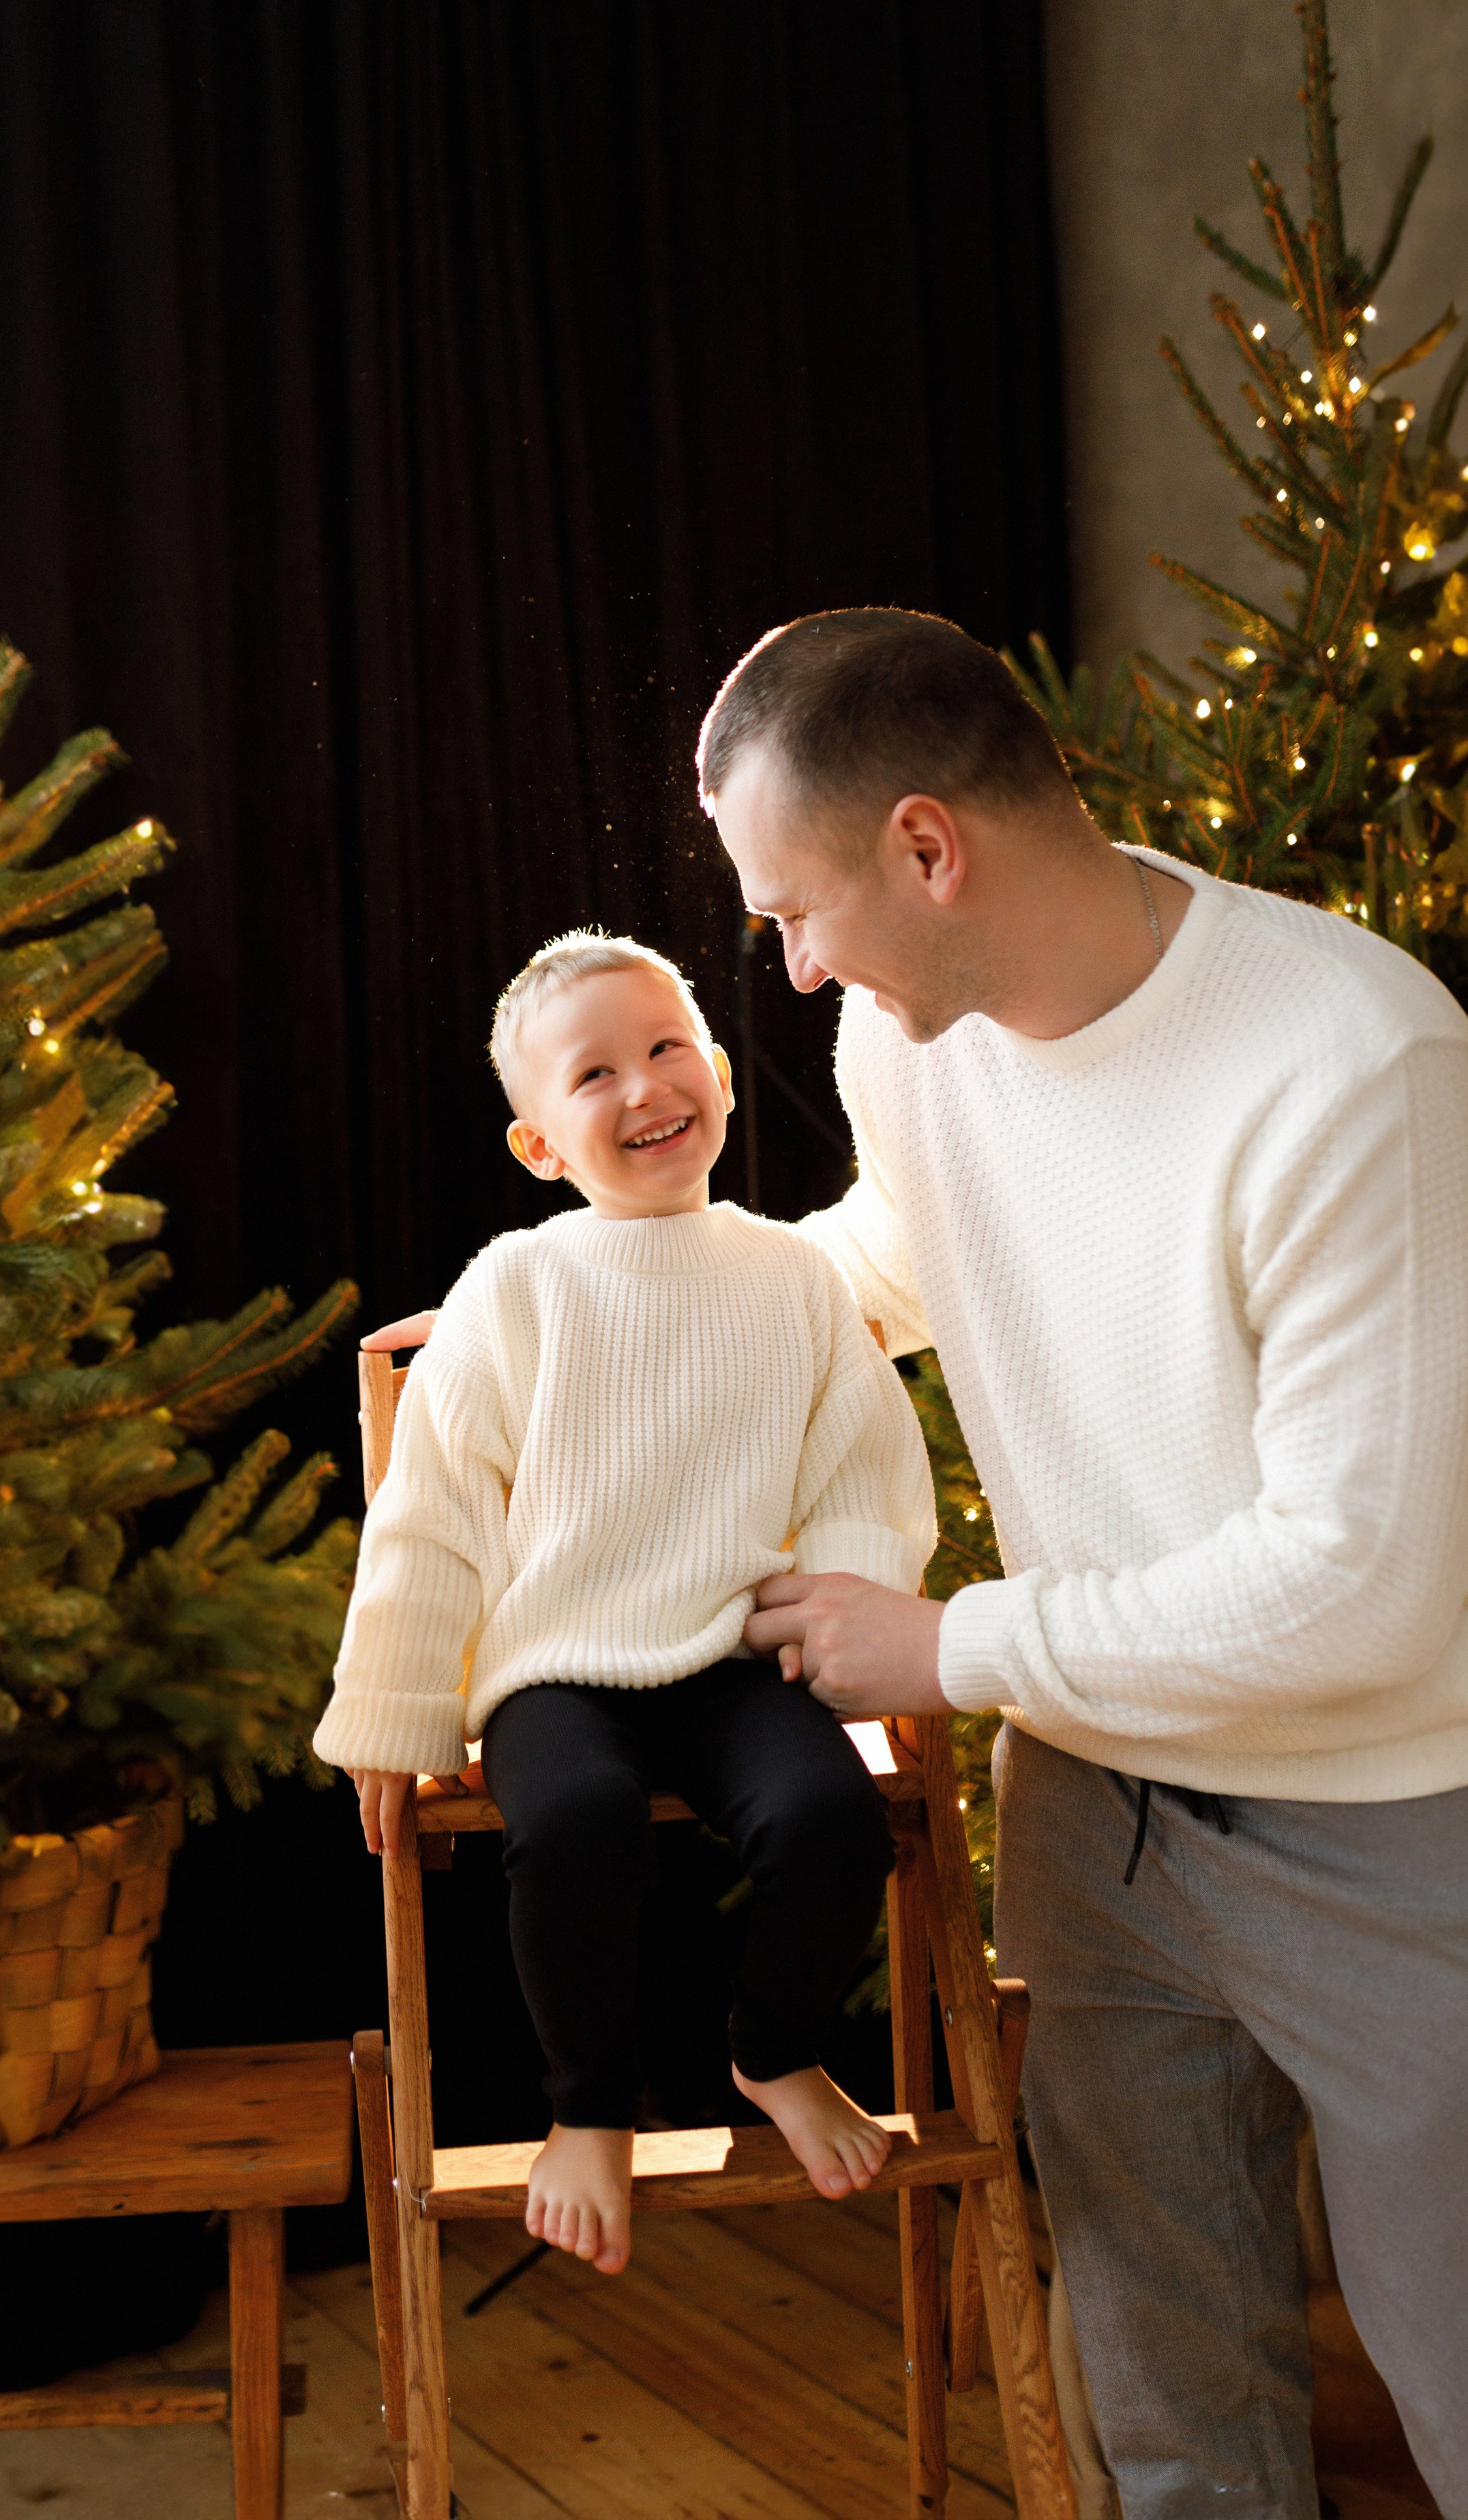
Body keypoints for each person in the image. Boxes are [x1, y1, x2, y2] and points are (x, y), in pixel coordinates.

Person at [698, 608, 1468, 2520]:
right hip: (1099, 1823)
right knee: (1166, 2396)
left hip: (1396, 1824)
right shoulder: (913, 1036)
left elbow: (1355, 1580)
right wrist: (617, 1307)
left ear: (929, 847)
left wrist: (950, 1648)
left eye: (797, 911)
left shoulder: (1355, 1061)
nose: (792, 974)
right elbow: (911, 1250)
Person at [314, 930, 935, 2277]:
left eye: (664, 1050)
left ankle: (772, 2047)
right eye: (593, 1072)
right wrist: (396, 1710)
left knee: (829, 1818)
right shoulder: (519, 1287)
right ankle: (585, 2104)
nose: (644, 1086)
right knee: (579, 1819)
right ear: (539, 1143)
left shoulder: (791, 1279)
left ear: (713, 1070)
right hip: (556, 1665)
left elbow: (860, 1466)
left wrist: (832, 1607)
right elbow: (432, 1511)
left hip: (727, 1649)